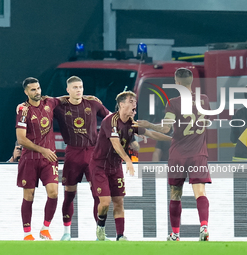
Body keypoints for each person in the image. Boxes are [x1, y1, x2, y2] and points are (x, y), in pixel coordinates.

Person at [137, 68, 211, 241]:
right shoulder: (204, 100)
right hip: (199, 154)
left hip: (178, 154)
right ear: (191, 81)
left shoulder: (173, 102)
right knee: (200, 192)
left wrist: (149, 125)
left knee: (175, 193)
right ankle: (204, 226)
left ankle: (176, 234)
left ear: (177, 83)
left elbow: (166, 128)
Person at [90, 91, 171, 241]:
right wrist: (128, 160)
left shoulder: (131, 123)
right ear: (122, 104)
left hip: (115, 167)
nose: (135, 104)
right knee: (105, 202)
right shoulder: (110, 121)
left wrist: (174, 140)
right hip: (99, 166)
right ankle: (100, 227)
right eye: (131, 101)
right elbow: (115, 144)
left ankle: (120, 236)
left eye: (135, 101)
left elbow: (152, 134)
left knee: (119, 201)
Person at [53, 76, 110, 241]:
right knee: (69, 194)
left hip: (93, 154)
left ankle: (100, 232)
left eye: (81, 87)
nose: (79, 90)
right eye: (75, 87)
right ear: (68, 90)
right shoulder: (59, 106)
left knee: (97, 195)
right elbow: (44, 105)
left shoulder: (92, 103)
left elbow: (110, 118)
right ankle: (66, 233)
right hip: (73, 153)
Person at [16, 77, 60, 241]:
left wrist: (87, 98)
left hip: (49, 159)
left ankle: (45, 229)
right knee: (29, 196)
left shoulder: (49, 102)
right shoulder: (23, 109)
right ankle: (27, 234)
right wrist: (43, 150)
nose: (37, 92)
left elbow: (65, 99)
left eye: (38, 88)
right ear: (26, 92)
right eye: (33, 90)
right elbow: (21, 139)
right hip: (30, 158)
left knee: (53, 193)